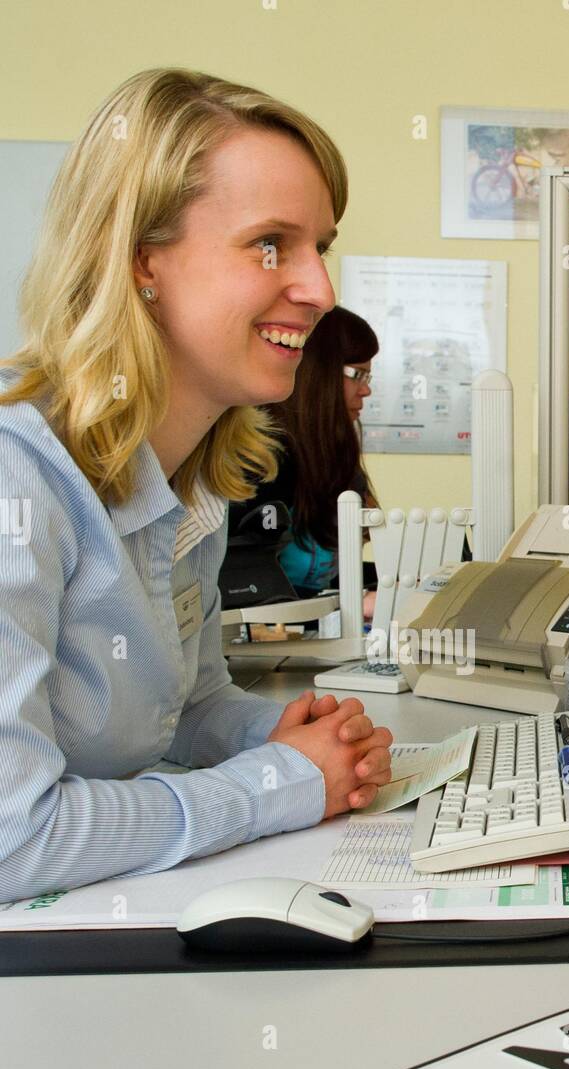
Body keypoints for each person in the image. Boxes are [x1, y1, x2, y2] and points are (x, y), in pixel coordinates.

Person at [0, 68, 392, 904]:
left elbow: (180, 707)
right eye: (269, 245)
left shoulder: (193, 482)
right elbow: (12, 836)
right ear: (142, 261)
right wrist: (282, 785)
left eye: (319, 247)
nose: (320, 290)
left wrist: (285, 734)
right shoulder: (17, 479)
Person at [222, 305, 380, 617]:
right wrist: (347, 605)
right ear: (319, 372)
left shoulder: (333, 456)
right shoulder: (265, 459)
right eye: (358, 374)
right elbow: (242, 584)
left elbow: (328, 577)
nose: (367, 390)